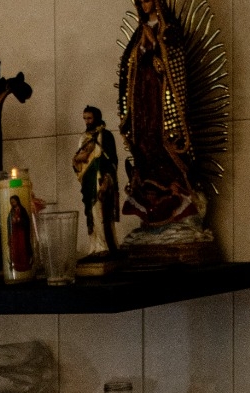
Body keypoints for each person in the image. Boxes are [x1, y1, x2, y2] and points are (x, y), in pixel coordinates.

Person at [117, 0, 196, 226]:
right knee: (144, 142)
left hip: (162, 101)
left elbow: (175, 66)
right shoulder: (139, 33)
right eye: (141, 1)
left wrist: (155, 49)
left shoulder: (169, 31)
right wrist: (141, 50)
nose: (144, 4)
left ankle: (175, 192)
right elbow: (128, 67)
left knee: (164, 143)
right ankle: (148, 191)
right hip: (143, 100)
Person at [72, 106, 120, 256]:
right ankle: (94, 246)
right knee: (91, 214)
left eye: (89, 118)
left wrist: (107, 180)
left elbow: (112, 161)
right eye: (85, 118)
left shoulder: (105, 135)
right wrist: (76, 160)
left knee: (101, 212)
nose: (87, 122)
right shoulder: (83, 138)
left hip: (100, 179)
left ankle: (104, 246)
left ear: (96, 118)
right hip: (88, 182)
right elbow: (77, 161)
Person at [6, 195, 33, 273]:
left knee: (22, 248)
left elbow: (26, 221)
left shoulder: (22, 210)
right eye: (11, 202)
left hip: (21, 232)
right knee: (16, 248)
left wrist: (19, 220)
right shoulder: (12, 211)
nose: (12, 203)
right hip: (15, 233)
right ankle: (17, 265)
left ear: (17, 201)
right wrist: (12, 220)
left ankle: (25, 264)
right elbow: (9, 222)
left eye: (14, 201)